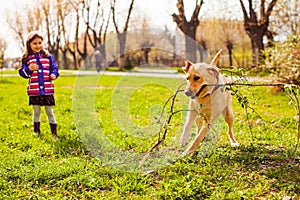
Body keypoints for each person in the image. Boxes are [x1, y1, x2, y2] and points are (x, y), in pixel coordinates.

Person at [19, 31, 60, 139]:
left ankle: (54, 133)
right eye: (34, 43)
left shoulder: (48, 56)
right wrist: (29, 69)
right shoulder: (26, 58)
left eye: (40, 43)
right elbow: (23, 73)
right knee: (36, 111)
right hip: (34, 90)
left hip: (47, 90)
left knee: (49, 111)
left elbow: (55, 68)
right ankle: (36, 131)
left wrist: (54, 74)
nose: (38, 46)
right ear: (29, 44)